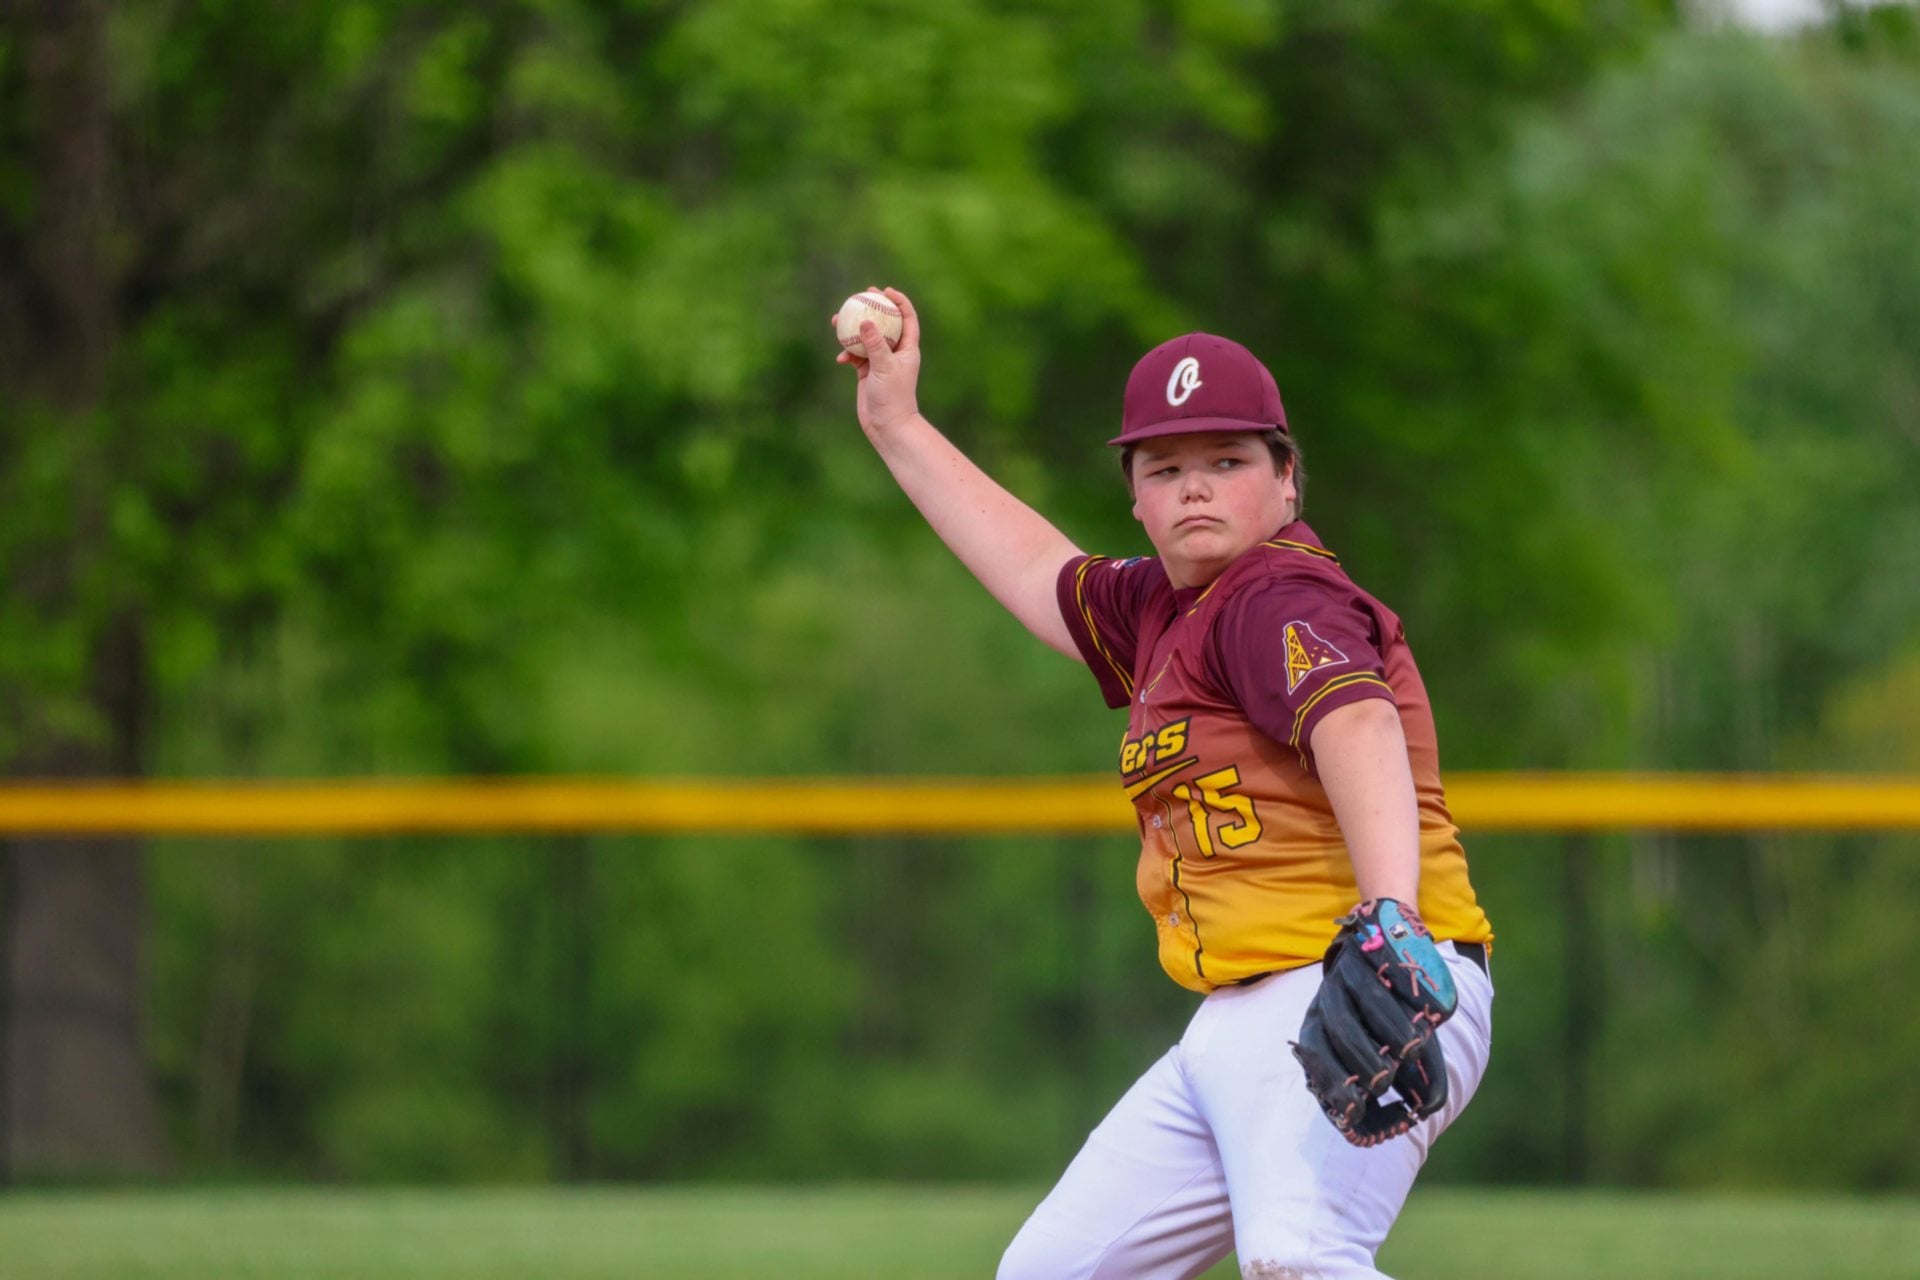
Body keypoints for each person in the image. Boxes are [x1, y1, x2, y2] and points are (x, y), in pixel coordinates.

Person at [836, 287, 1495, 1280]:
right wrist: (897, 423)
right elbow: (1037, 568)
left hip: (1365, 976)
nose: (1195, 489)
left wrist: (1391, 913)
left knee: (1300, 1255)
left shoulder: (1278, 592)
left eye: (1227, 461)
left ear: (1286, 478)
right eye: (1166, 467)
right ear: (1136, 498)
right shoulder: (1160, 607)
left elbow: (1358, 723)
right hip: (1236, 1020)